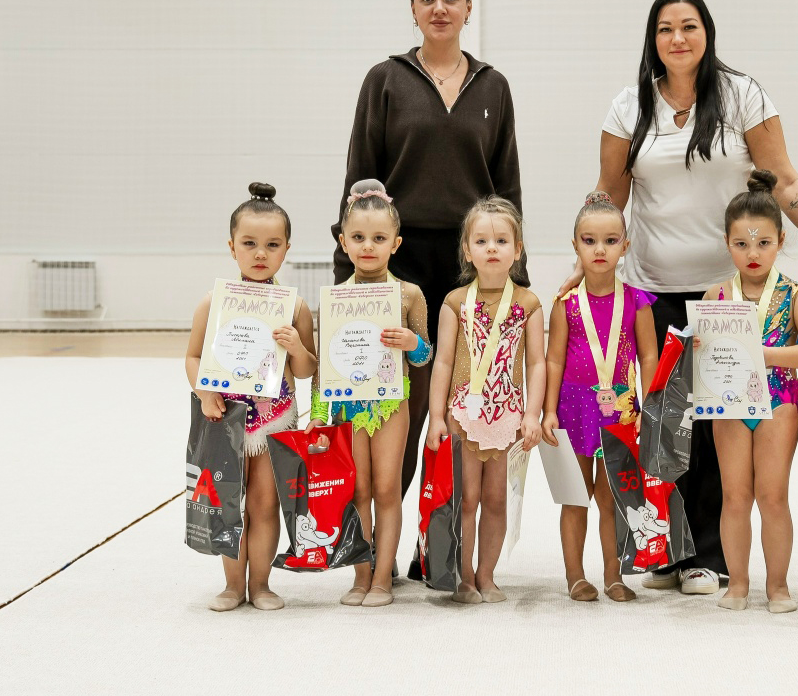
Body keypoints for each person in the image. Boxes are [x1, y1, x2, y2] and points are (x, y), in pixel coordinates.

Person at [563, 0, 798, 596]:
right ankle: (668, 551)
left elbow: (786, 181)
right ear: (652, 39)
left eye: (689, 26)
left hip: (731, 294)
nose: (677, 38)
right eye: (665, 28)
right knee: (664, 419)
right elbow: (609, 192)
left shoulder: (743, 96)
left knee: (717, 419)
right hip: (653, 286)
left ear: (707, 33)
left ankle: (708, 556)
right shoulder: (629, 106)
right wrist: (583, 260)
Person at [330, 0, 526, 577]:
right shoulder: (385, 80)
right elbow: (360, 175)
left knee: (462, 410)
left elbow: (507, 183)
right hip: (400, 266)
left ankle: (438, 549)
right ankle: (375, 550)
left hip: (473, 271)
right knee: (401, 411)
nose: (439, 8)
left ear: (468, 8)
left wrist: (514, 276)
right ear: (413, 9)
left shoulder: (493, 86)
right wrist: (346, 277)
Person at [185, 182, 318, 612]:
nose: (261, 253)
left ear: (286, 249)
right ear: (232, 247)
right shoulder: (213, 303)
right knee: (229, 501)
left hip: (276, 417)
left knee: (265, 503)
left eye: (272, 245)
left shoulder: (295, 307)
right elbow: (192, 356)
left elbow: (307, 370)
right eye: (249, 243)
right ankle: (231, 585)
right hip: (225, 416)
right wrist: (204, 391)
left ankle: (260, 584)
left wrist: (297, 347)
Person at [699, 170, 798, 612]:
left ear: (781, 241)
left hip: (779, 404)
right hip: (729, 404)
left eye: (763, 243)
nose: (752, 253)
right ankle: (737, 583)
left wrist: (765, 355)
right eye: (741, 243)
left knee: (772, 497)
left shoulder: (795, 295)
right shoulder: (715, 295)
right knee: (735, 497)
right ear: (726, 242)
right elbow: (704, 353)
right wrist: (698, 346)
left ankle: (778, 586)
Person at [307, 180, 432, 608]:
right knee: (356, 490)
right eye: (358, 237)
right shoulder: (334, 299)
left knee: (386, 489)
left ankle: (382, 580)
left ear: (395, 243)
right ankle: (361, 575)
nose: (367, 246)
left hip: (391, 406)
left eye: (379, 238)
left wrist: (412, 343)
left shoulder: (409, 294)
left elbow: (426, 356)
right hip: (348, 406)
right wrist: (318, 413)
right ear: (343, 242)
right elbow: (324, 367)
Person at [426, 197, 544, 603]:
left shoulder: (528, 304)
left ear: (518, 249)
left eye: (501, 240)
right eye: (481, 241)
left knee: (496, 500)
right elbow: (443, 361)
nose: (491, 248)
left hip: (507, 417)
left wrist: (532, 413)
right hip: (462, 416)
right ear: (467, 250)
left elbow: (536, 363)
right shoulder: (455, 302)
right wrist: (436, 416)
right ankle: (463, 576)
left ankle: (487, 575)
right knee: (466, 500)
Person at [542, 192, 658, 603]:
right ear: (575, 245)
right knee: (576, 497)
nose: (599, 249)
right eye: (589, 241)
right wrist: (548, 410)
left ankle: (614, 574)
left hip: (621, 411)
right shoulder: (566, 303)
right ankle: (575, 576)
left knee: (612, 497)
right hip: (573, 409)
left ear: (625, 246)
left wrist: (651, 407)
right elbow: (554, 359)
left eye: (610, 241)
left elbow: (649, 356)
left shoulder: (638, 302)